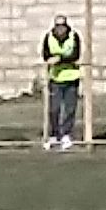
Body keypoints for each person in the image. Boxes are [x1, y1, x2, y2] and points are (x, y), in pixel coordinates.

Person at [42, 16, 85, 151]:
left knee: (70, 109)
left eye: (62, 26)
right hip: (55, 78)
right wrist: (54, 60)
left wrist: (59, 59)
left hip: (72, 77)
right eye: (58, 26)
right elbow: (46, 56)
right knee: (54, 109)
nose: (60, 29)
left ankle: (66, 134)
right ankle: (55, 134)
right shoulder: (49, 37)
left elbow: (75, 55)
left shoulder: (74, 36)